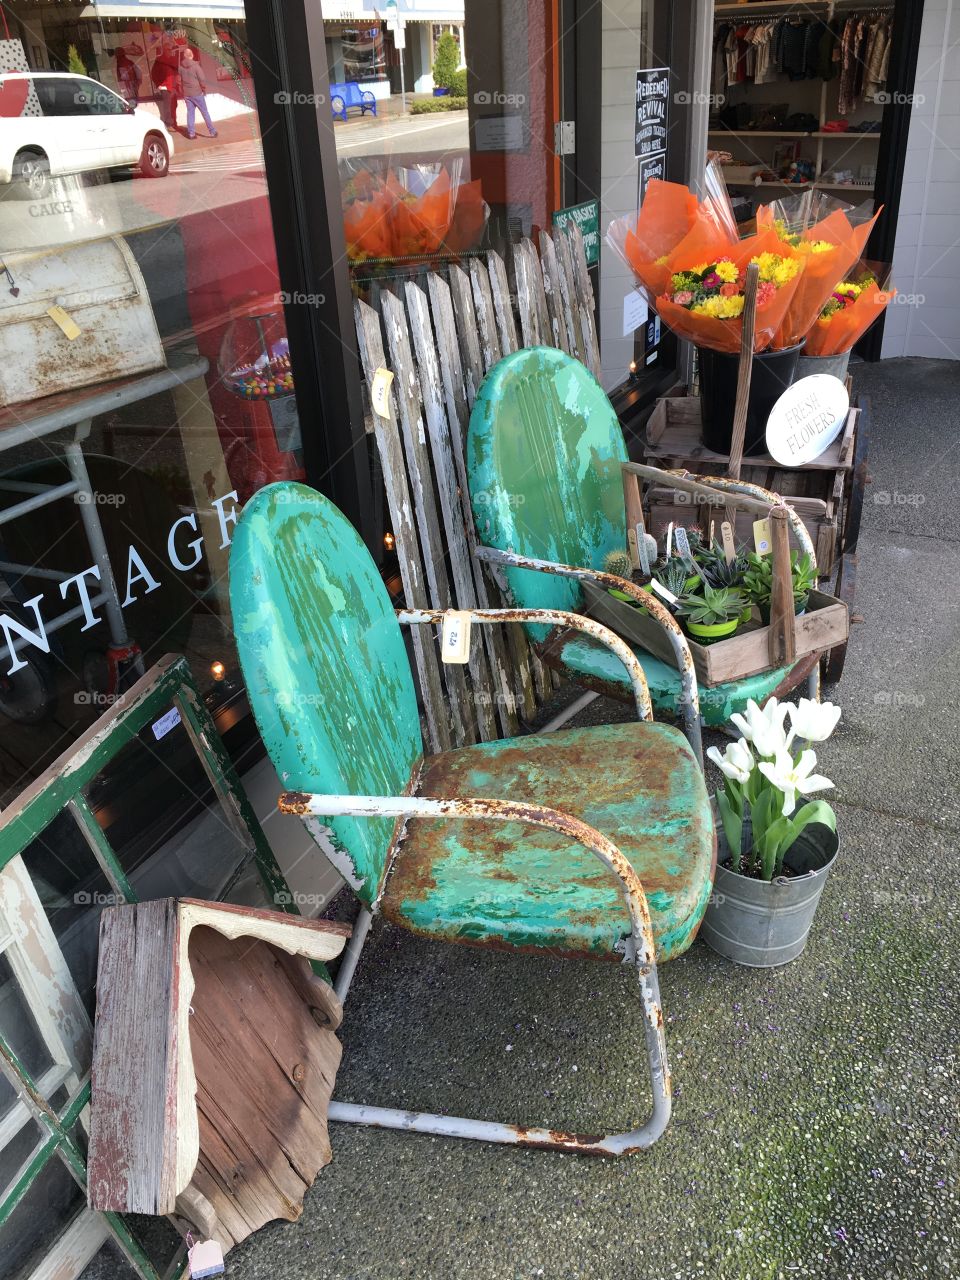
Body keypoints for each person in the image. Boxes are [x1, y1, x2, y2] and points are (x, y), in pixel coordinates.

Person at [178, 48, 217, 140]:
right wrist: (203, 89)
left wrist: (182, 91)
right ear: (191, 55)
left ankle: (191, 134)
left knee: (190, 114)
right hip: (197, 93)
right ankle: (212, 131)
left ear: (184, 56)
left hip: (187, 94)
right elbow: (202, 79)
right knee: (205, 112)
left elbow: (179, 81)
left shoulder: (180, 67)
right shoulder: (196, 66)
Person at [150, 31, 181, 130]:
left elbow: (176, 71)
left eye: (170, 49)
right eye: (168, 49)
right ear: (164, 50)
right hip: (165, 87)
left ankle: (173, 122)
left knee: (173, 105)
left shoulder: (170, 59)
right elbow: (153, 74)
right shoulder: (160, 61)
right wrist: (159, 84)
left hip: (171, 86)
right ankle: (168, 124)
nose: (169, 51)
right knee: (167, 107)